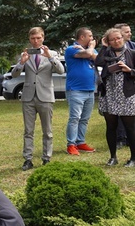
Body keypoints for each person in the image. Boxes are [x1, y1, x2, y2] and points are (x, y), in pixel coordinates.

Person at [11, 27, 65, 170]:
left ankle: (46, 158)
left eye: (38, 38)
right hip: (28, 96)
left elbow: (61, 70)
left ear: (43, 38)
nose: (36, 41)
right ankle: (28, 159)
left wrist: (50, 57)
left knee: (47, 130)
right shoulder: (25, 54)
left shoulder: (51, 53)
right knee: (28, 131)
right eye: (33, 38)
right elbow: (15, 74)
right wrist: (21, 62)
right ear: (29, 39)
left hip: (45, 96)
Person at [94, 28, 135, 167]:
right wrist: (104, 47)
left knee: (130, 128)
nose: (116, 41)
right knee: (111, 126)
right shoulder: (106, 54)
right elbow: (97, 63)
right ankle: (113, 157)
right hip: (109, 94)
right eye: (112, 39)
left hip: (127, 95)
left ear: (123, 38)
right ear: (108, 41)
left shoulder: (132, 53)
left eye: (118, 38)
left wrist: (129, 71)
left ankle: (133, 158)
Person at [63, 27, 98, 155]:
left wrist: (89, 49)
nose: (92, 38)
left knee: (84, 119)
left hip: (89, 89)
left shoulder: (89, 49)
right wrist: (90, 47)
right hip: (75, 90)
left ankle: (81, 142)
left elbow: (97, 58)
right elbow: (89, 54)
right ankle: (71, 144)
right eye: (90, 36)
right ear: (82, 37)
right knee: (75, 118)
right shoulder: (71, 49)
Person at [114, 23, 135, 148]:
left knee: (130, 114)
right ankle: (120, 138)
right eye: (127, 32)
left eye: (129, 31)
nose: (130, 34)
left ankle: (129, 138)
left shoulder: (133, 47)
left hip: (131, 83)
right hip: (116, 86)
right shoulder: (111, 49)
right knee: (119, 114)